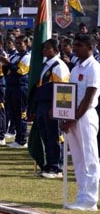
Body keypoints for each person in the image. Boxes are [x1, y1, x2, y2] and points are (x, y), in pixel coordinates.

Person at [62, 34, 100, 211]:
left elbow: (89, 96)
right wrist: (63, 113)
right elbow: (69, 94)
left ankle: (90, 199)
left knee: (89, 158)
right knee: (78, 158)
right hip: (73, 116)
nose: (75, 48)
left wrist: (73, 117)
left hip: (85, 115)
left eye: (79, 45)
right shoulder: (76, 68)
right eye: (75, 44)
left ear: (89, 47)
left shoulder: (93, 67)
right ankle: (81, 195)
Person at [33, 39, 70, 179]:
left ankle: (56, 167)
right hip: (42, 104)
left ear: (56, 50)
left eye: (48, 48)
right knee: (46, 136)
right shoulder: (45, 65)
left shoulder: (59, 66)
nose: (44, 51)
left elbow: (62, 89)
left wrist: (56, 107)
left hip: (51, 105)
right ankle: (49, 164)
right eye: (44, 48)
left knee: (54, 136)